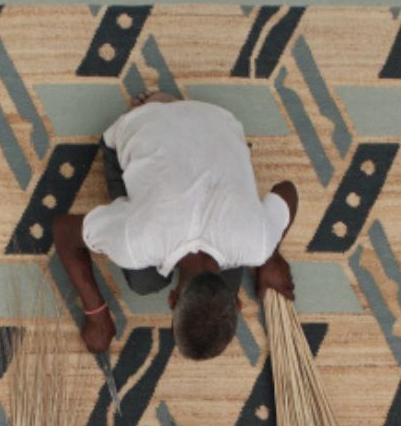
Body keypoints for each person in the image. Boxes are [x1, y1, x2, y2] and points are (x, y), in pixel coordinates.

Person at [52, 92, 299, 361]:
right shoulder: (136, 241)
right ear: (171, 301)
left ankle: (175, 116)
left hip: (218, 120)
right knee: (142, 281)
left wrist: (270, 255)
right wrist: (95, 314)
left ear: (239, 305)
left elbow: (287, 190)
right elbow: (63, 231)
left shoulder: (258, 242)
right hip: (141, 124)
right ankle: (161, 110)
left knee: (226, 270)